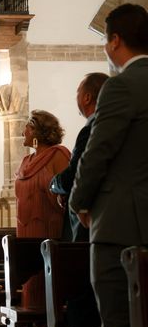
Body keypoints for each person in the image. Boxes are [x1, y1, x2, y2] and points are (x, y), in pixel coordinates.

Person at [70, 3, 148, 327]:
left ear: (115, 41)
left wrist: (78, 202)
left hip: (120, 227)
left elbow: (97, 152)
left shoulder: (121, 85)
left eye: (105, 38)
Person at [15, 110, 70, 308]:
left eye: (27, 128)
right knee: (30, 280)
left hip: (50, 227)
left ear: (38, 131)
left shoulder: (58, 155)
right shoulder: (25, 162)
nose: (23, 132)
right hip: (25, 229)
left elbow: (67, 190)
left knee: (47, 281)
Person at [50, 72, 109, 242]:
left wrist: (54, 185)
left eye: (78, 92)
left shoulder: (91, 129)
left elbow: (75, 174)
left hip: (88, 219)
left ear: (87, 98)